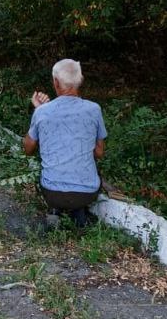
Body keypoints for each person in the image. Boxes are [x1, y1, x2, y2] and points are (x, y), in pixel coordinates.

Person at [23, 58, 107, 229]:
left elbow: (28, 149)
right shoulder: (94, 109)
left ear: (55, 82)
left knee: (52, 175)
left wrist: (38, 110)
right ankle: (79, 213)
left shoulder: (42, 112)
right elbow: (99, 153)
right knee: (88, 179)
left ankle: (56, 210)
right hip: (86, 193)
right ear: (80, 81)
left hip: (51, 192)